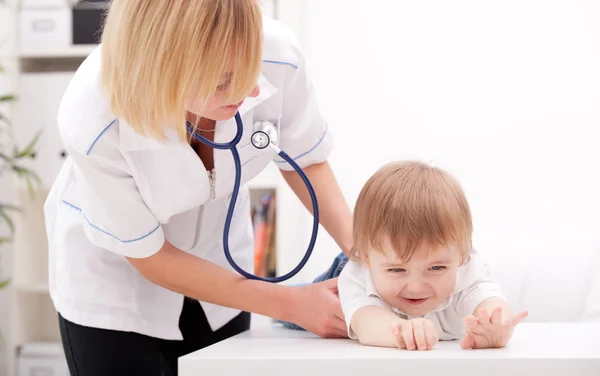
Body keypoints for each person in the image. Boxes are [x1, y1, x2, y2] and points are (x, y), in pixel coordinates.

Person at [44, 1, 354, 375]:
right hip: (116, 291)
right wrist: (292, 304)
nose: (249, 89)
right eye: (223, 80)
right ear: (159, 63)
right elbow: (149, 256)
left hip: (224, 270)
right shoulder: (94, 117)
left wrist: (367, 255)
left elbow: (306, 157)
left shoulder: (279, 54)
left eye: (251, 67)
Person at [336, 160, 528, 350]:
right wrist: (402, 331)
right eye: (397, 269)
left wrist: (496, 328)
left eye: (436, 268)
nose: (416, 288)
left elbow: (492, 305)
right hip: (333, 279)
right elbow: (366, 323)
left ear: (461, 255)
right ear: (367, 259)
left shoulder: (468, 271)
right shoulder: (358, 275)